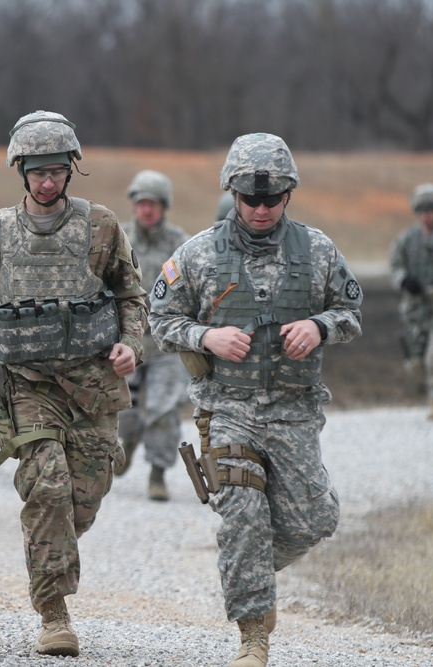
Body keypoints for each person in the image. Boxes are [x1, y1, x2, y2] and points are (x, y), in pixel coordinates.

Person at [149, 133, 362, 667]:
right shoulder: (197, 254)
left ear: (288, 194)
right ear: (233, 194)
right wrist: (206, 337)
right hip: (229, 410)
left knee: (314, 520)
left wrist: (319, 326)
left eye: (271, 199)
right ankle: (253, 639)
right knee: (243, 514)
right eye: (250, 198)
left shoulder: (317, 250)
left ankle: (252, 574)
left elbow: (352, 313)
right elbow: (159, 319)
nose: (261, 209)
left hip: (295, 411)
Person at [0, 110, 147, 657]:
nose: (47, 181)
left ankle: (49, 552)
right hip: (29, 386)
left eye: (58, 170)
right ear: (20, 170)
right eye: (38, 171)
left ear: (72, 170)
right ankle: (54, 614)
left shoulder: (102, 227)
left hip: (93, 386)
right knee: (48, 486)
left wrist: (131, 345)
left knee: (81, 502)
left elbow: (132, 296)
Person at [116, 169, 190, 501]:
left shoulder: (181, 245)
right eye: (141, 203)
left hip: (167, 343)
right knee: (123, 407)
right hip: (127, 340)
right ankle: (127, 441)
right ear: (134, 205)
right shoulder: (118, 241)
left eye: (153, 204)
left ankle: (158, 472)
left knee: (162, 409)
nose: (147, 210)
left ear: (165, 206)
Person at [388, 183, 433, 419]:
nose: (427, 216)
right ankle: (432, 391)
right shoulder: (407, 240)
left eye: (431, 211)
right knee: (415, 360)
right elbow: (395, 264)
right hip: (414, 309)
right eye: (422, 211)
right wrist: (404, 280)